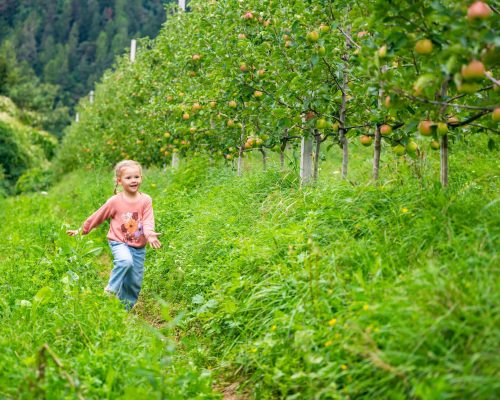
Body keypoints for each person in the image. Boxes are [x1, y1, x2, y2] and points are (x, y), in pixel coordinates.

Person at [67, 160, 161, 310]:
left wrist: (149, 234)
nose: (133, 180)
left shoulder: (146, 200)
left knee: (134, 282)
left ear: (141, 178)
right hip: (119, 242)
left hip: (139, 247)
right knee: (125, 261)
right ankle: (110, 290)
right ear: (119, 181)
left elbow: (148, 220)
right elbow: (97, 216)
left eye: (136, 177)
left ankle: (122, 311)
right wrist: (81, 230)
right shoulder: (115, 201)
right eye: (128, 178)